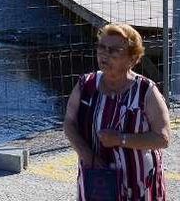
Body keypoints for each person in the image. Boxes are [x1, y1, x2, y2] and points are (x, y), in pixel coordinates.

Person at [64, 23, 171, 200]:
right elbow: (69, 122)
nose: (105, 54)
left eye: (114, 50)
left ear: (132, 58)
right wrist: (86, 154)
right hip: (96, 182)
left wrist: (121, 139)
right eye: (101, 47)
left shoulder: (146, 91)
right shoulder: (86, 84)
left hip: (139, 184)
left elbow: (163, 138)